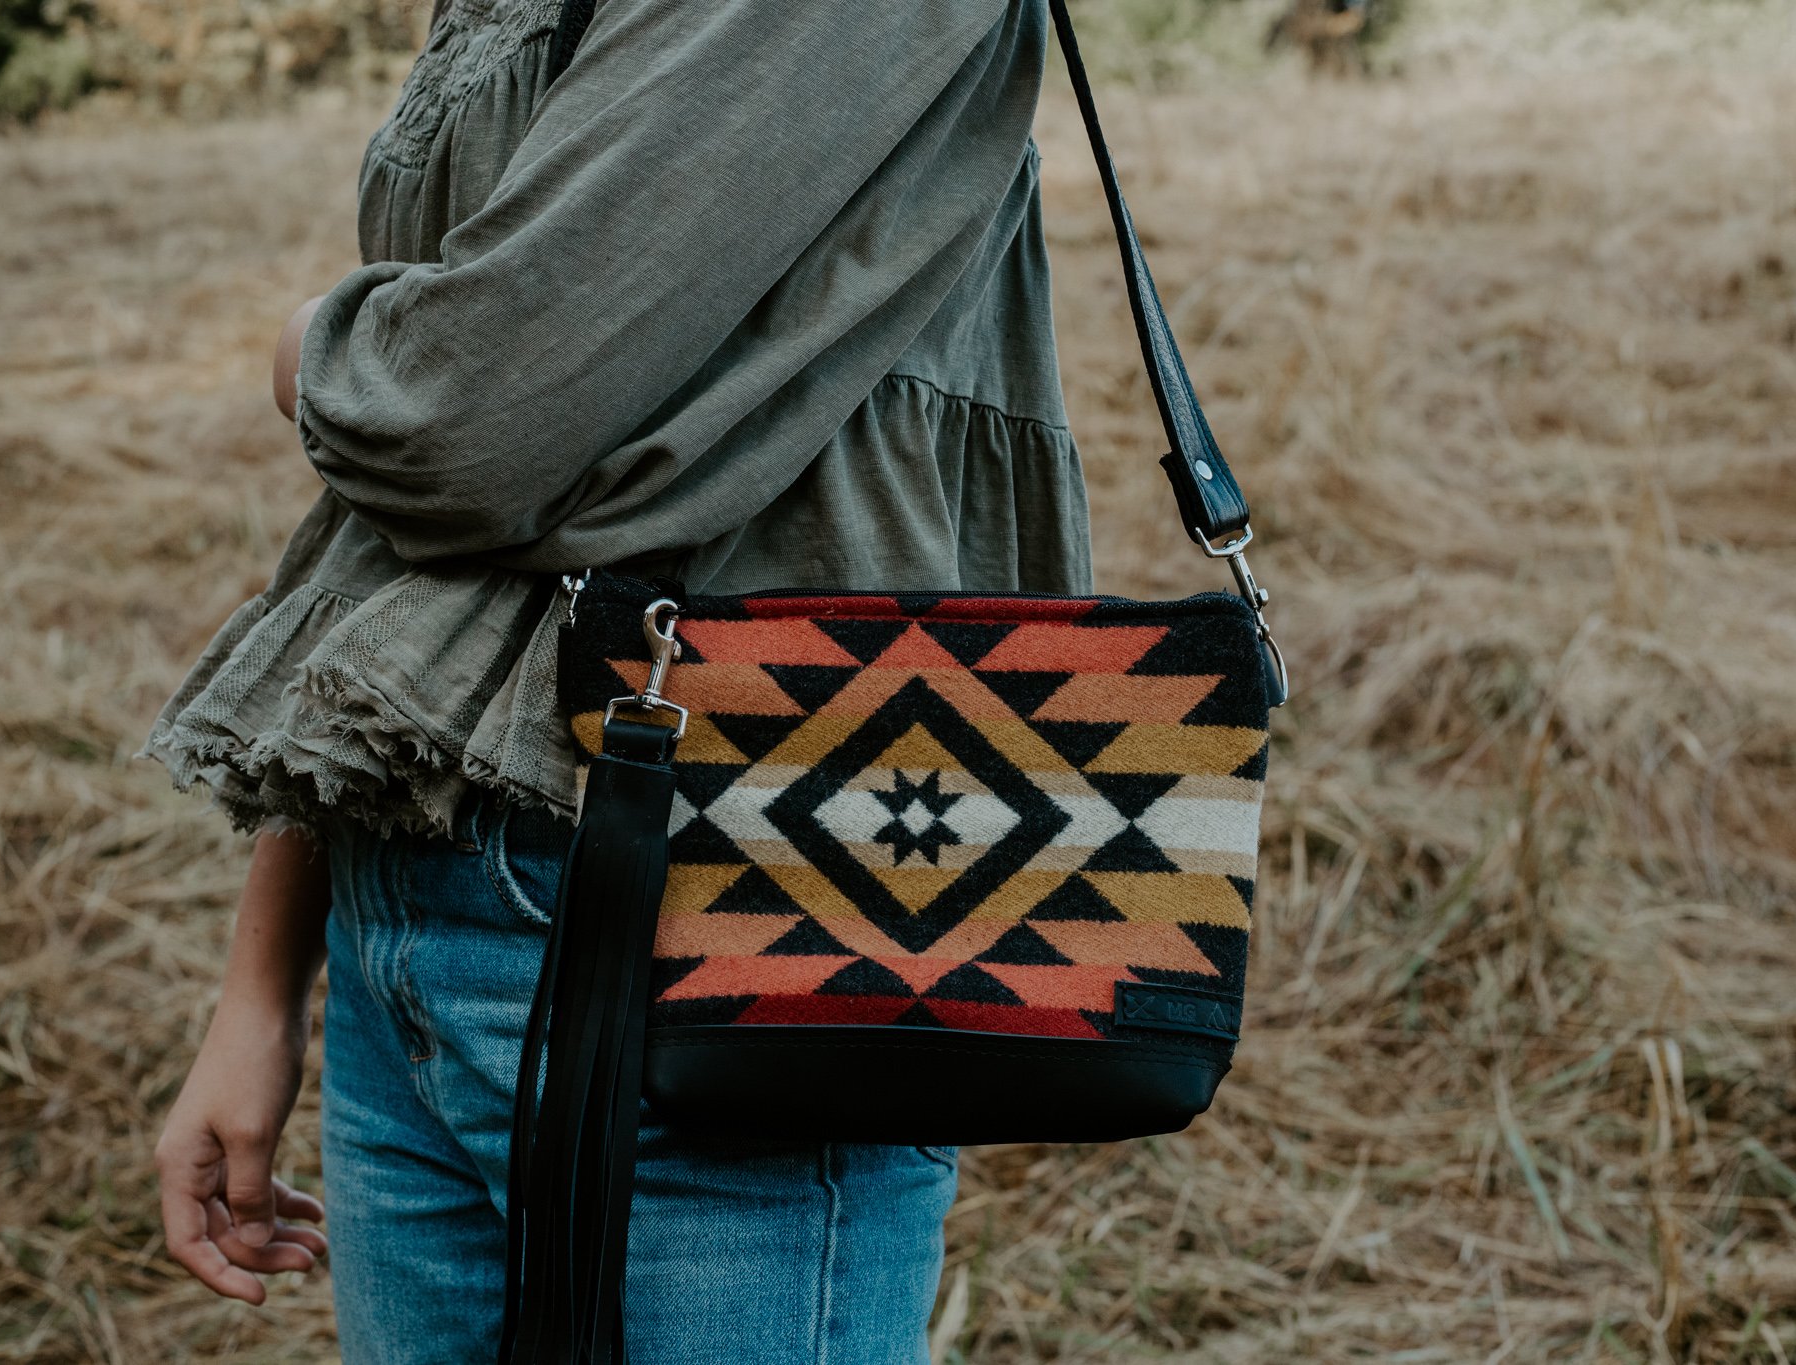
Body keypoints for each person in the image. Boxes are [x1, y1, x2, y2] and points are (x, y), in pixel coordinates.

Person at [146, 0, 1092, 1358]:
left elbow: (458, 426)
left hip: (731, 917)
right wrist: (266, 986)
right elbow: (399, 549)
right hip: (407, 911)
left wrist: (312, 351)